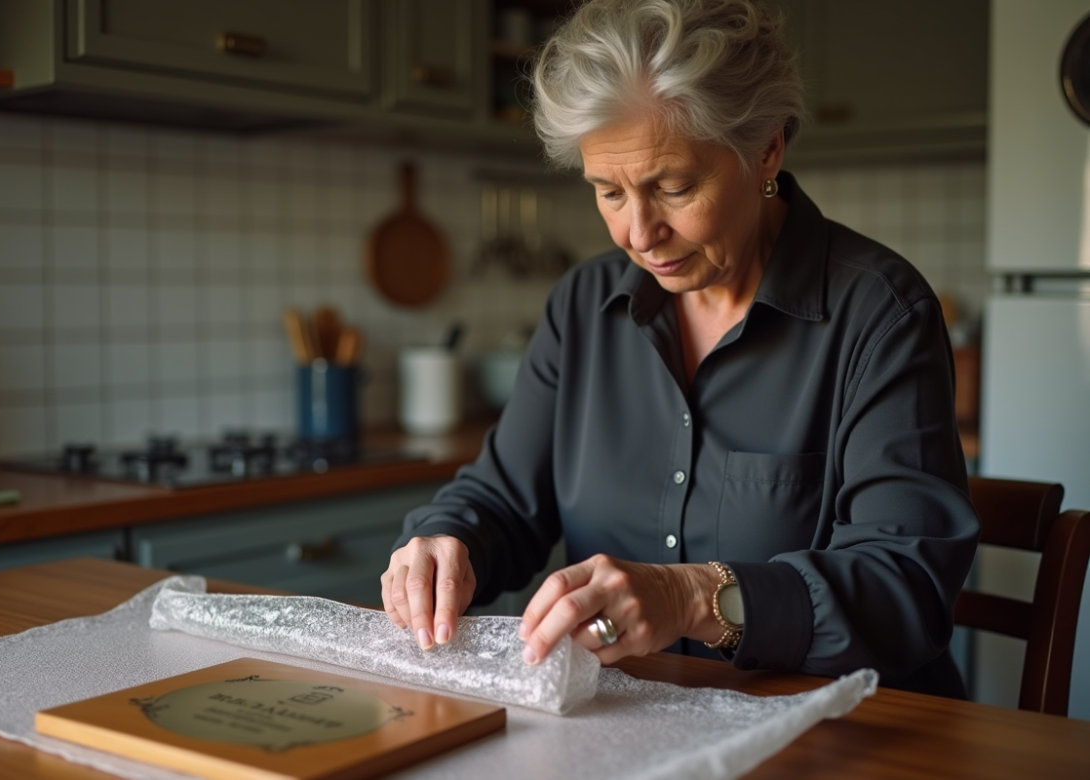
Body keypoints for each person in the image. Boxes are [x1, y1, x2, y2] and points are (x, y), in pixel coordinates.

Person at [381, 0, 980, 698]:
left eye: (674, 187)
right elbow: (503, 501)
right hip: (628, 733)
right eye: (607, 191)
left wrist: (695, 597)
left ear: (767, 150)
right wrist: (445, 542)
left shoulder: (881, 314)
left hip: (844, 740)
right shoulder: (583, 308)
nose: (638, 232)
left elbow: (905, 588)